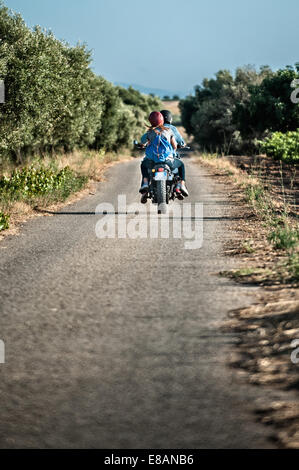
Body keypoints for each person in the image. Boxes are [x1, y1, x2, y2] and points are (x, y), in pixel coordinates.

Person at [139, 111, 189, 198]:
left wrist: (143, 144)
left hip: (152, 161)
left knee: (143, 165)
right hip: (167, 160)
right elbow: (174, 146)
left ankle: (146, 183)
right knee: (181, 165)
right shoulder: (169, 130)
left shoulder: (150, 132)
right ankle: (181, 184)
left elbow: (143, 141)